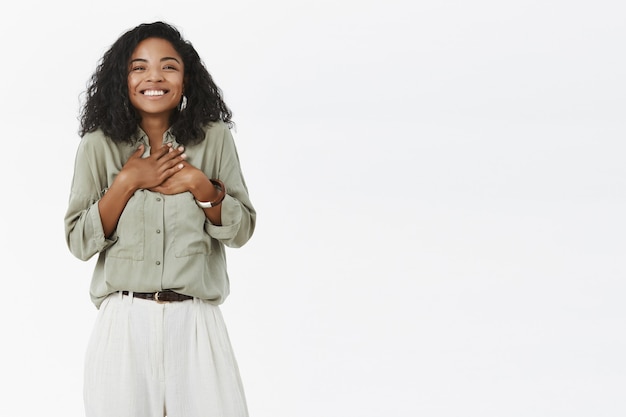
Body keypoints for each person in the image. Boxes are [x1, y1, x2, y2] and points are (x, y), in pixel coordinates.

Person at [64, 21, 256, 417]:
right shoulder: (98, 147)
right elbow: (79, 241)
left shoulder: (214, 138)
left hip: (197, 323)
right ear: (123, 78)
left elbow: (242, 231)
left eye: (168, 66)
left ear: (186, 80)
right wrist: (127, 183)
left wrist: (203, 188)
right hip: (124, 325)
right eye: (139, 67)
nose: (154, 77)